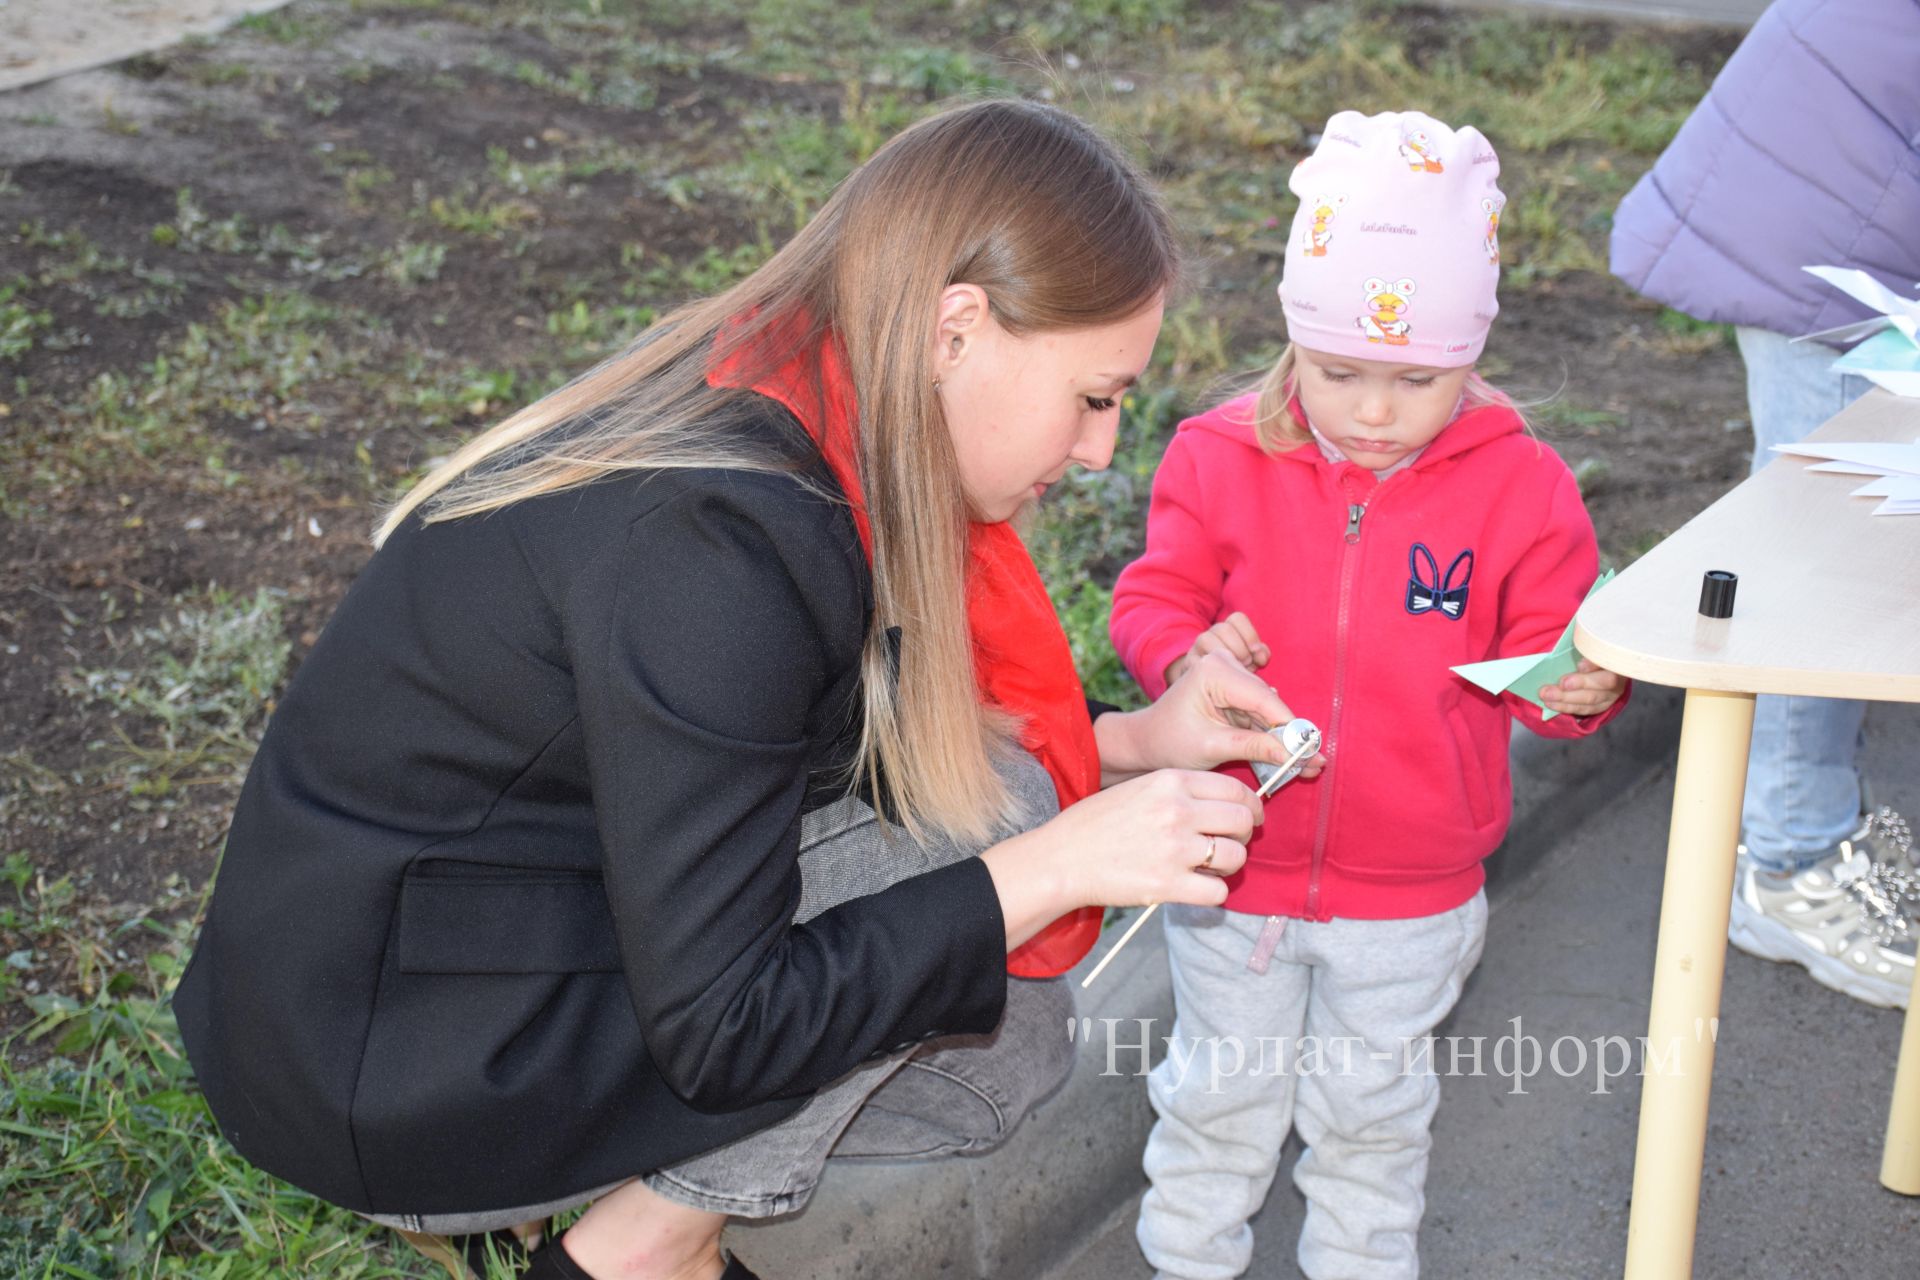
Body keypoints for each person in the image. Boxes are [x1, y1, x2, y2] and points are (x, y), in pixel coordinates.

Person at [170, 100, 1325, 1280]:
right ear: (957, 327)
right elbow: (729, 1028)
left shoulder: (800, 388)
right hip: (380, 1043)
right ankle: (643, 1243)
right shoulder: (719, 543)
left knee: (1006, 1020)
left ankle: (570, 1198)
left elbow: (795, 744)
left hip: (417, 939)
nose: (1099, 450)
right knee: (1007, 842)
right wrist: (1057, 860)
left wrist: (1127, 742)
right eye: (1095, 394)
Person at [1108, 111, 1631, 1279]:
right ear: (1297, 338)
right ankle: (1186, 1261)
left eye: (1418, 378)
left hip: (1413, 896)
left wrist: (1580, 686)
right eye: (1340, 371)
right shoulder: (1215, 453)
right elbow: (1148, 600)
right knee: (1217, 1098)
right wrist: (1188, 653)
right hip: (1231, 871)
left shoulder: (1525, 490)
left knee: (1371, 1118)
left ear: (1473, 353)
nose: (1375, 411)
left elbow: (1550, 668)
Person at [1610, 0, 1918, 1010]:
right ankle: (1792, 861)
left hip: (1828, 193)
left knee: (1828, 533)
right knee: (1826, 554)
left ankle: (1803, 819)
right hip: (1835, 227)